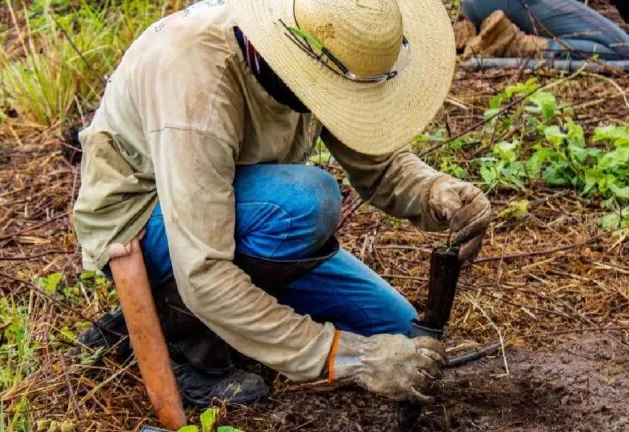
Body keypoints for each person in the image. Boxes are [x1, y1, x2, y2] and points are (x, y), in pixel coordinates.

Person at [72, 0, 492, 407]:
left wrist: (435, 191)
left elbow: (377, 165)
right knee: (305, 201)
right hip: (146, 221)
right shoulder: (198, 84)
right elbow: (202, 270)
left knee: (397, 329)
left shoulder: (317, 41)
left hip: (236, 210)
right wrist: (352, 357)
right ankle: (182, 334)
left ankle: (197, 314)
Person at [458, 0, 629, 60]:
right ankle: (514, 43)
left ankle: (470, 24)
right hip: (519, 4)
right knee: (622, 49)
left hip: (473, 5)